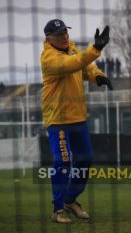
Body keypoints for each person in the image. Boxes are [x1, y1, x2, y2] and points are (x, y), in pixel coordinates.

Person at [40, 19, 112, 224]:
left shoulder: (71, 48)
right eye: (59, 34)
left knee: (85, 159)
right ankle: (58, 209)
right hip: (58, 119)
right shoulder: (48, 58)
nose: (65, 36)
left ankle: (71, 200)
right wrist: (96, 48)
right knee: (62, 161)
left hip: (78, 117)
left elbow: (85, 65)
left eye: (65, 32)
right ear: (49, 38)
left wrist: (97, 75)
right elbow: (74, 64)